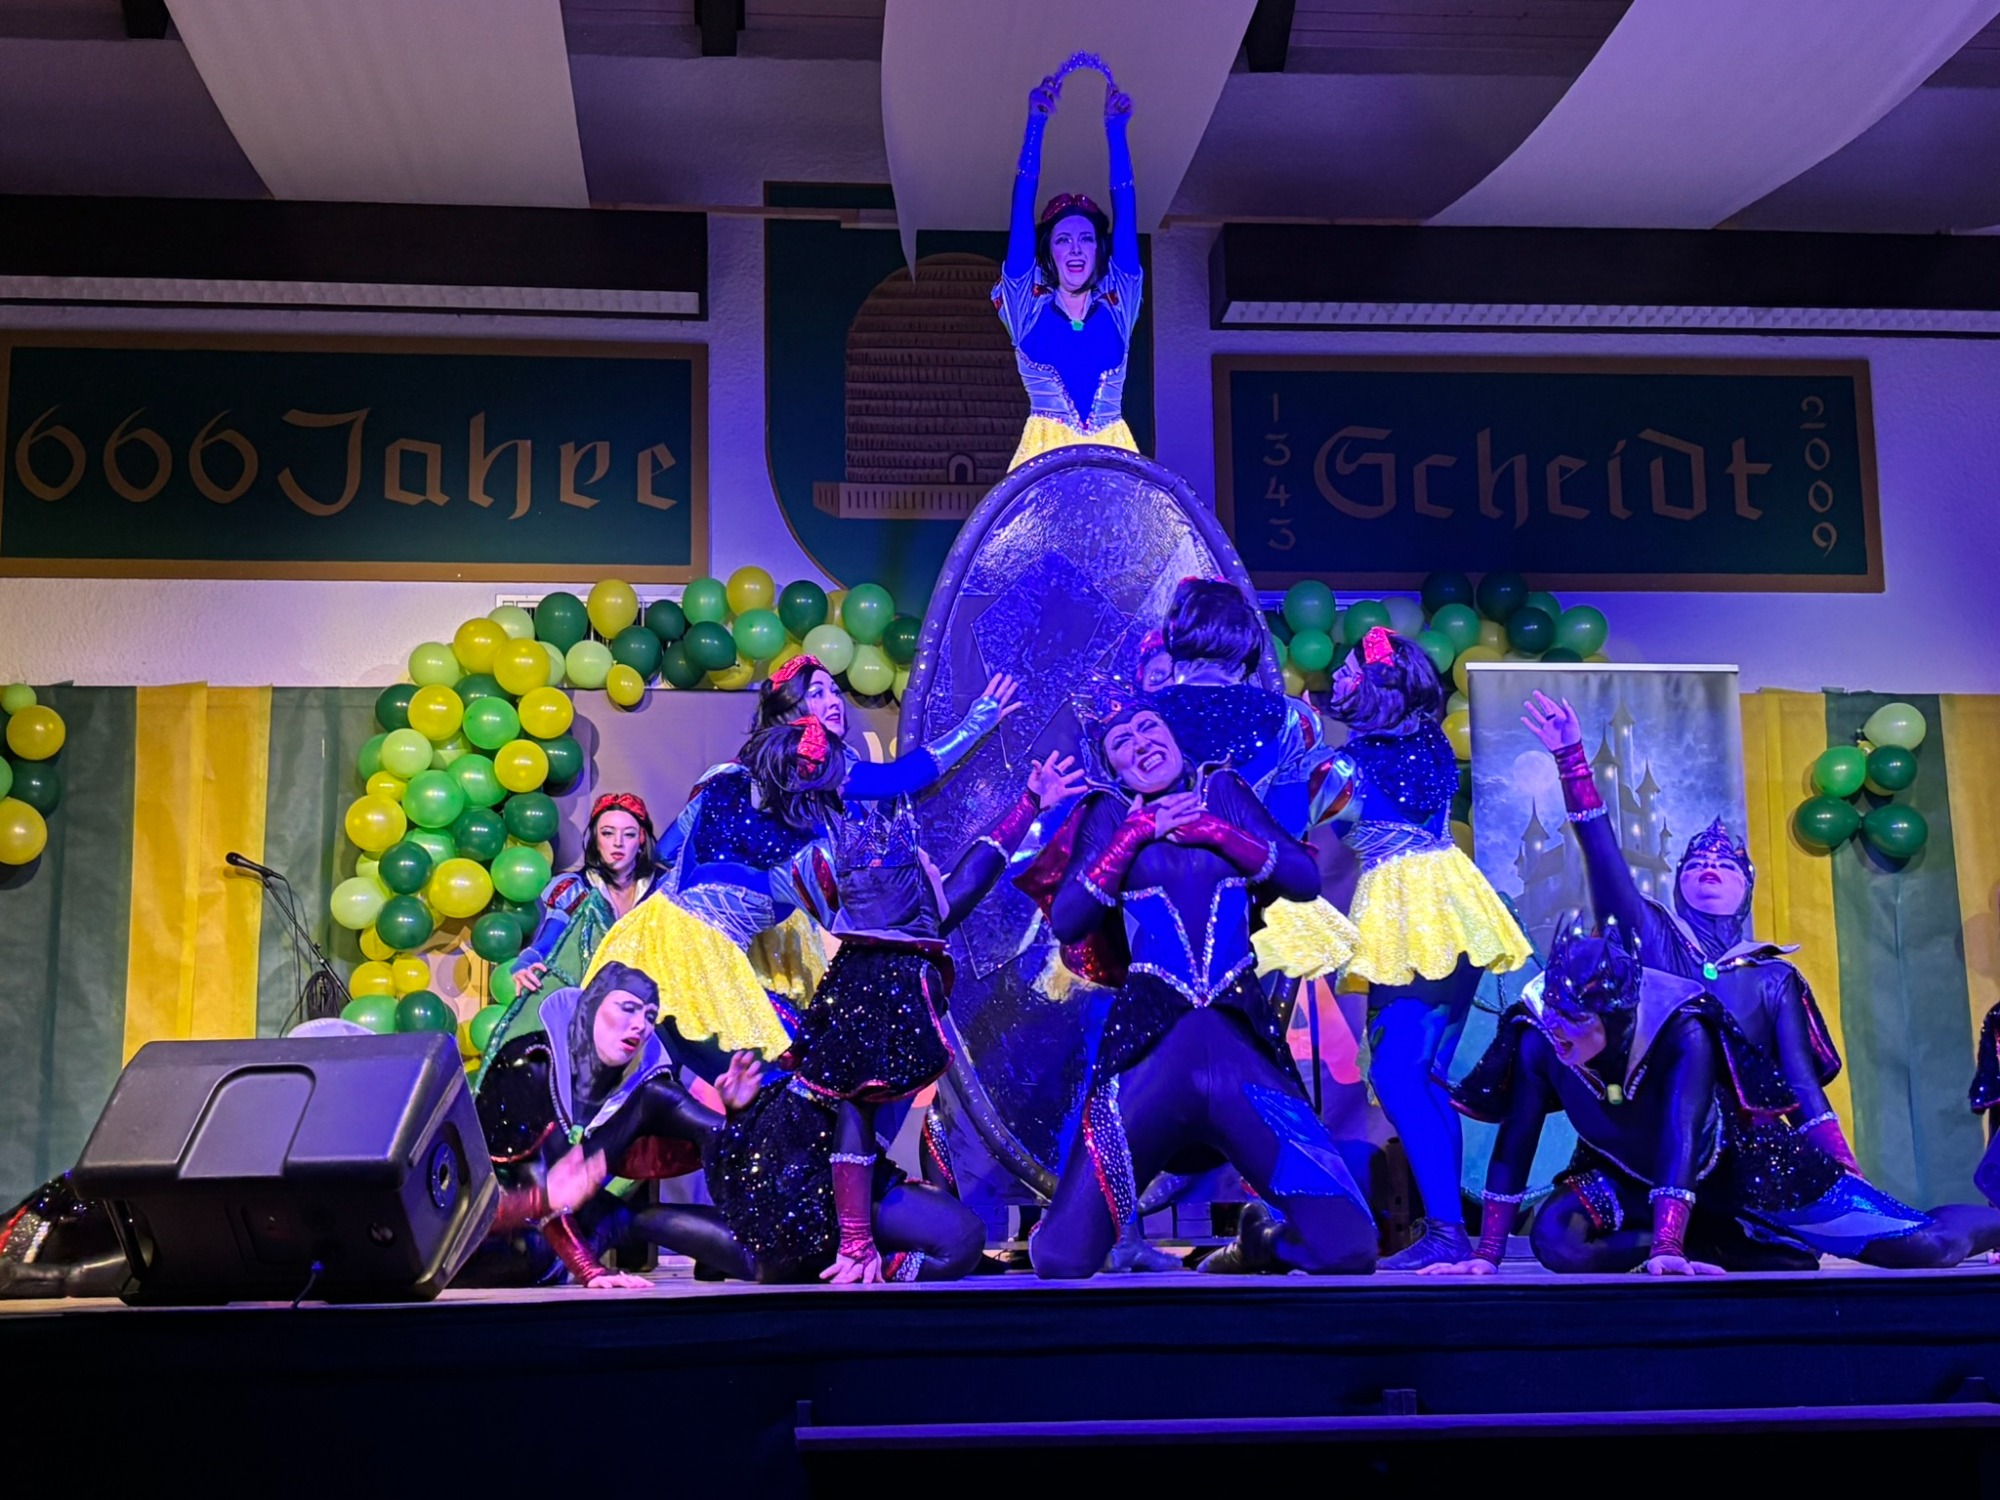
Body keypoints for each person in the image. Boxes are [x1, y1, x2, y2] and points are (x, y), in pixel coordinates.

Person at [707, 722, 1087, 1284]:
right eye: (916, 868)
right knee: (956, 1243)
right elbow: (856, 1107)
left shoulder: (910, 944)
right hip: (807, 1172)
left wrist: (1030, 802)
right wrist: (858, 1241)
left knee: (962, 1240)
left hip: (841, 1171)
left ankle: (844, 1255)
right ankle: (835, 1255)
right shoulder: (879, 970)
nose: (930, 867)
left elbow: (973, 877)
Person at [1025, 698, 1378, 1278]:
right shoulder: (1109, 813)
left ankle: (1263, 1243)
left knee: (1350, 1250)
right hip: (1150, 1057)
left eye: (1149, 728)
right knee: (1062, 1259)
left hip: (1243, 1056)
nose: (1141, 743)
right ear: (1115, 770)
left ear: (1173, 736)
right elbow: (1068, 920)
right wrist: (1134, 834)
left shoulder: (1222, 790)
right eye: (1122, 743)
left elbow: (1303, 879)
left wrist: (1218, 832)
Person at [1435, 917, 2000, 1275]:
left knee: (1922, 1249)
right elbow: (1517, 1140)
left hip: (1745, 1169)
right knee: (1558, 1243)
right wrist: (1485, 1256)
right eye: (1555, 1014)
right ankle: (1724, 1245)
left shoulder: (1683, 1029)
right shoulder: (1538, 1037)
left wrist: (1666, 1246)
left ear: (1616, 1015)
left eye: (1575, 1021)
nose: (1558, 1031)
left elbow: (1681, 1136)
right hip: (1627, 1176)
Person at [561, 658, 1021, 1081]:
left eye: (834, 691)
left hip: (647, 938)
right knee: (780, 1084)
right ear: (790, 712)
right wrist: (977, 722)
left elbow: (665, 851)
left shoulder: (725, 776)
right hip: (700, 958)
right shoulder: (811, 789)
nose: (833, 701)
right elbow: (901, 779)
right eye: (816, 693)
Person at [1521, 690, 1858, 1170]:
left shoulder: (1774, 977)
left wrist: (1844, 1172)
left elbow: (1801, 1086)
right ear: (1678, 882)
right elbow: (1603, 858)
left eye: (1726, 865)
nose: (1710, 869)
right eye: (1696, 864)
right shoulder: (1653, 933)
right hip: (1648, 1143)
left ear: (1747, 888)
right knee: (1567, 1223)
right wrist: (1572, 761)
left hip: (1747, 1155)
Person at [1316, 628, 1533, 1270]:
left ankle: (1445, 1230)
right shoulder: (1431, 742)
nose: (1340, 679)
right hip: (1455, 900)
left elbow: (1305, 817)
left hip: (1406, 908)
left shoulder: (1352, 762)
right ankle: (1448, 1229)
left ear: (1378, 685)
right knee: (1427, 1075)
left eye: (1351, 669)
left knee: (1395, 1073)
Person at [467, 962, 761, 1288]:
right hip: (507, 1231)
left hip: (586, 1220)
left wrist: (737, 1114)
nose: (640, 1026)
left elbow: (719, 1137)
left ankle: (710, 1257)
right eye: (628, 1008)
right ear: (592, 1005)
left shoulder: (645, 1086)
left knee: (763, 1253)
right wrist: (589, 1270)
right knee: (546, 1241)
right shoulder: (530, 1062)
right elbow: (533, 1189)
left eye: (649, 1016)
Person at [996, 69, 1142, 470]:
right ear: (1049, 252)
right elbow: (1020, 213)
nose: (1075, 248)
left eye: (1086, 239)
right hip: (1044, 463)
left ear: (1098, 250)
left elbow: (1126, 214)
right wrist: (1035, 124)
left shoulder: (1119, 304)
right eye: (1063, 239)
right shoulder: (1026, 307)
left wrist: (1116, 131)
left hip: (1113, 463)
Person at [512, 792, 667, 1003]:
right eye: (607, 833)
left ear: (641, 839)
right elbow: (544, 946)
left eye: (629, 834)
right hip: (592, 1005)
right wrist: (523, 966)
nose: (618, 843)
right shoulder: (575, 891)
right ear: (595, 839)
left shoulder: (663, 888)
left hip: (654, 1004)